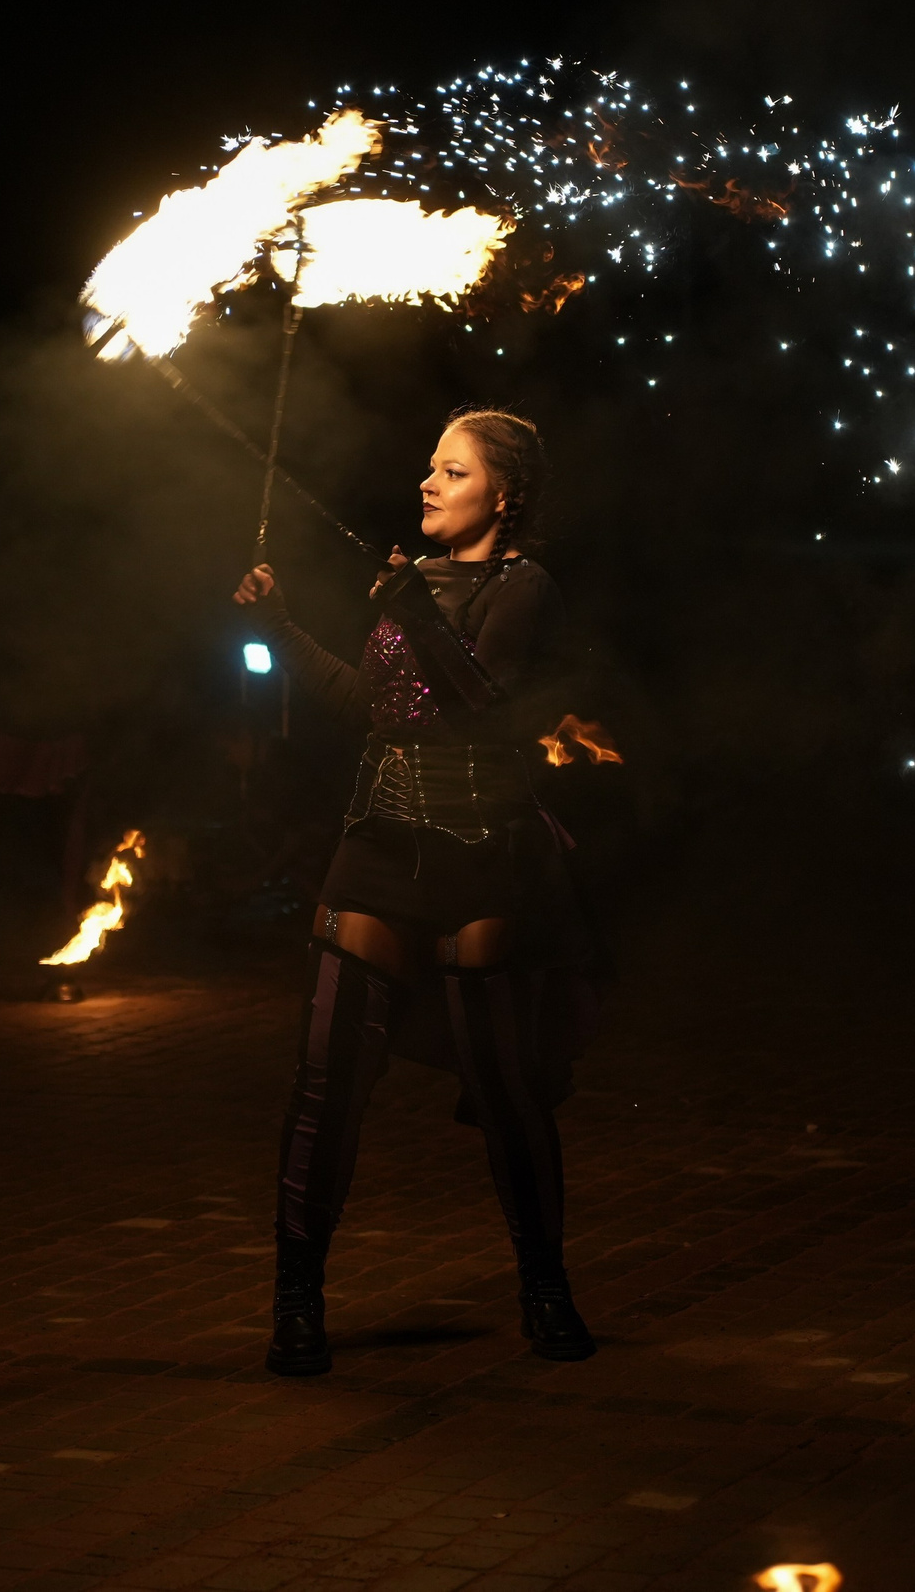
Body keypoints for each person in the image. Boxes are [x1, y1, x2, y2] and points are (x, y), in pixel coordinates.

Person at [232, 407, 598, 1376]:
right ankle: (297, 1302)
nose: (428, 484)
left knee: (509, 1092)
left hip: (482, 852)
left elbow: (480, 708)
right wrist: (284, 629)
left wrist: (410, 606)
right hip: (378, 848)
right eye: (429, 468)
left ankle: (546, 1290)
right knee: (324, 1089)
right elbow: (371, 710)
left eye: (452, 471)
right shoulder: (412, 587)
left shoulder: (526, 588)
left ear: (501, 495)